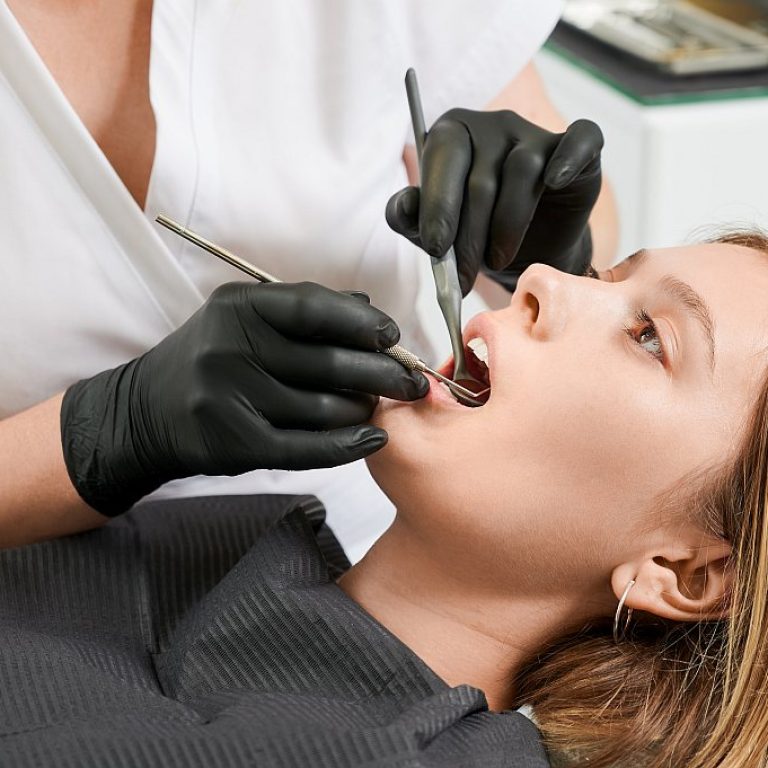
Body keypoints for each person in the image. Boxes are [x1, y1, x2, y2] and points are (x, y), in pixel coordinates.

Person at [2, 231, 767, 767]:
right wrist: (95, 440)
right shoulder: (212, 546)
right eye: (605, 275)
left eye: (649, 336)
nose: (540, 277)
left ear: (684, 572)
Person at [0, 0, 619, 558]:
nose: (543, 294)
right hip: (52, 585)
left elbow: (579, 223)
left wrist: (539, 241)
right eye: (646, 335)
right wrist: (110, 432)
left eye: (646, 336)